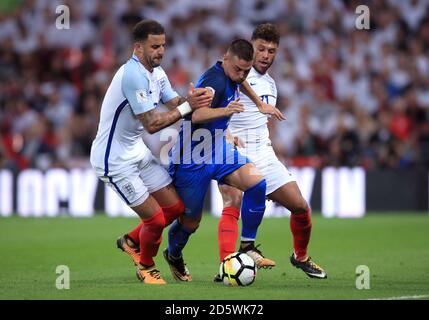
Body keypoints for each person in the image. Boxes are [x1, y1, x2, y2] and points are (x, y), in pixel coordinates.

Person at [89, 20, 213, 285]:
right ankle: (146, 266)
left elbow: (176, 102)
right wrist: (188, 107)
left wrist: (196, 100)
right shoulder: (132, 75)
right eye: (154, 46)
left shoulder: (156, 73)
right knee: (155, 219)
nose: (160, 51)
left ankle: (132, 241)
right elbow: (152, 124)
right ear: (138, 47)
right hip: (114, 160)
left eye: (163, 46)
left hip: (137, 151)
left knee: (175, 207)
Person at [215, 23, 327, 281]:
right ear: (251, 48)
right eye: (261, 49)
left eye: (271, 51)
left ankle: (300, 257)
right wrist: (226, 135)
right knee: (232, 202)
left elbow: (259, 120)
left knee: (300, 207)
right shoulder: (233, 75)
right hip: (232, 151)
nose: (266, 55)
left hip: (263, 154)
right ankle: (226, 265)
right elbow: (213, 111)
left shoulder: (272, 85)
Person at [163, 39, 276, 282]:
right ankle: (173, 255)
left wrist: (259, 104)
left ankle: (247, 247)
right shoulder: (213, 82)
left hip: (218, 148)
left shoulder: (233, 74)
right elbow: (197, 115)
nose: (242, 75)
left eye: (246, 70)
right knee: (190, 221)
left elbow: (241, 81)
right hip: (192, 157)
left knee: (257, 183)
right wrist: (227, 111)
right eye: (238, 69)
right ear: (226, 58)